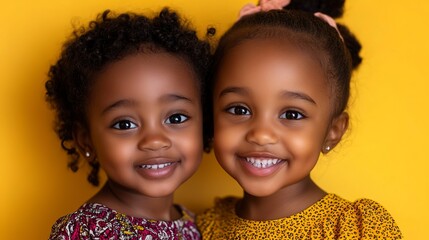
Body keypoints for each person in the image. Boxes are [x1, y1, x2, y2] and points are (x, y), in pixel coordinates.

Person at [196, 0, 402, 238]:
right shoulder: (207, 227)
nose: (261, 134)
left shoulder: (354, 230)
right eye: (239, 110)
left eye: (292, 114)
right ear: (211, 114)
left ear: (333, 131)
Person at [46, 8, 212, 239]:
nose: (154, 140)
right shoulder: (86, 233)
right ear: (86, 141)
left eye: (176, 118)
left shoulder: (196, 224)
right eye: (124, 124)